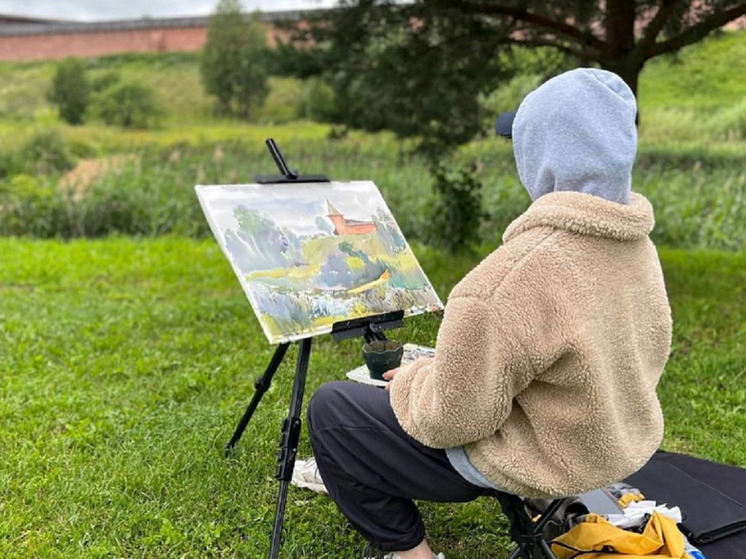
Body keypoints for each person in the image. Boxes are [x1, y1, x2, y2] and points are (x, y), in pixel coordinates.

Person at [306, 68, 673, 559]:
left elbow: (452, 420)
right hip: (613, 440)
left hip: (541, 456)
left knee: (331, 410)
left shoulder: (510, 280)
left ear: (541, 152)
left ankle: (410, 554)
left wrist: (415, 381)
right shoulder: (637, 247)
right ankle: (545, 500)